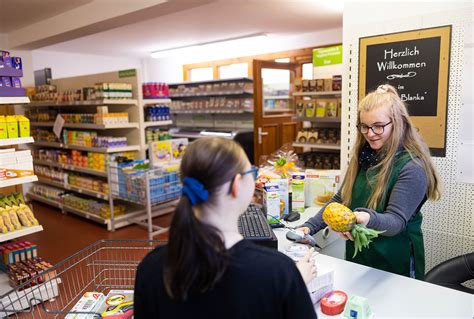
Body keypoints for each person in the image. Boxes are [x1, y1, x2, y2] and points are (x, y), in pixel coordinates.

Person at [134, 137, 317, 319]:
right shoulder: (278, 272)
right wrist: (296, 282)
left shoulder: (150, 267)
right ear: (236, 185)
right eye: (252, 173)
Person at [298, 84, 441, 280]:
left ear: (397, 122)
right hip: (361, 252)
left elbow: (396, 221)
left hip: (394, 256)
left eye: (378, 126)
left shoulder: (412, 167)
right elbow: (341, 198)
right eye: (364, 126)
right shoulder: (364, 157)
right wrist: (309, 227)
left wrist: (364, 218)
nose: (370, 133)